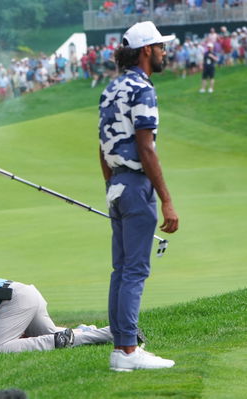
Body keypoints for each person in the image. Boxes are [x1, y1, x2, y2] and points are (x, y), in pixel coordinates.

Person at [99, 21, 179, 372]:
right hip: (134, 185)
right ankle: (129, 352)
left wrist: (110, 187)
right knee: (134, 272)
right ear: (147, 50)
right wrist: (166, 199)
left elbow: (101, 149)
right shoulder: (142, 89)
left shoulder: (112, 88)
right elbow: (146, 148)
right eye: (160, 47)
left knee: (121, 270)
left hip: (116, 185)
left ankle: (121, 347)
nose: (164, 52)